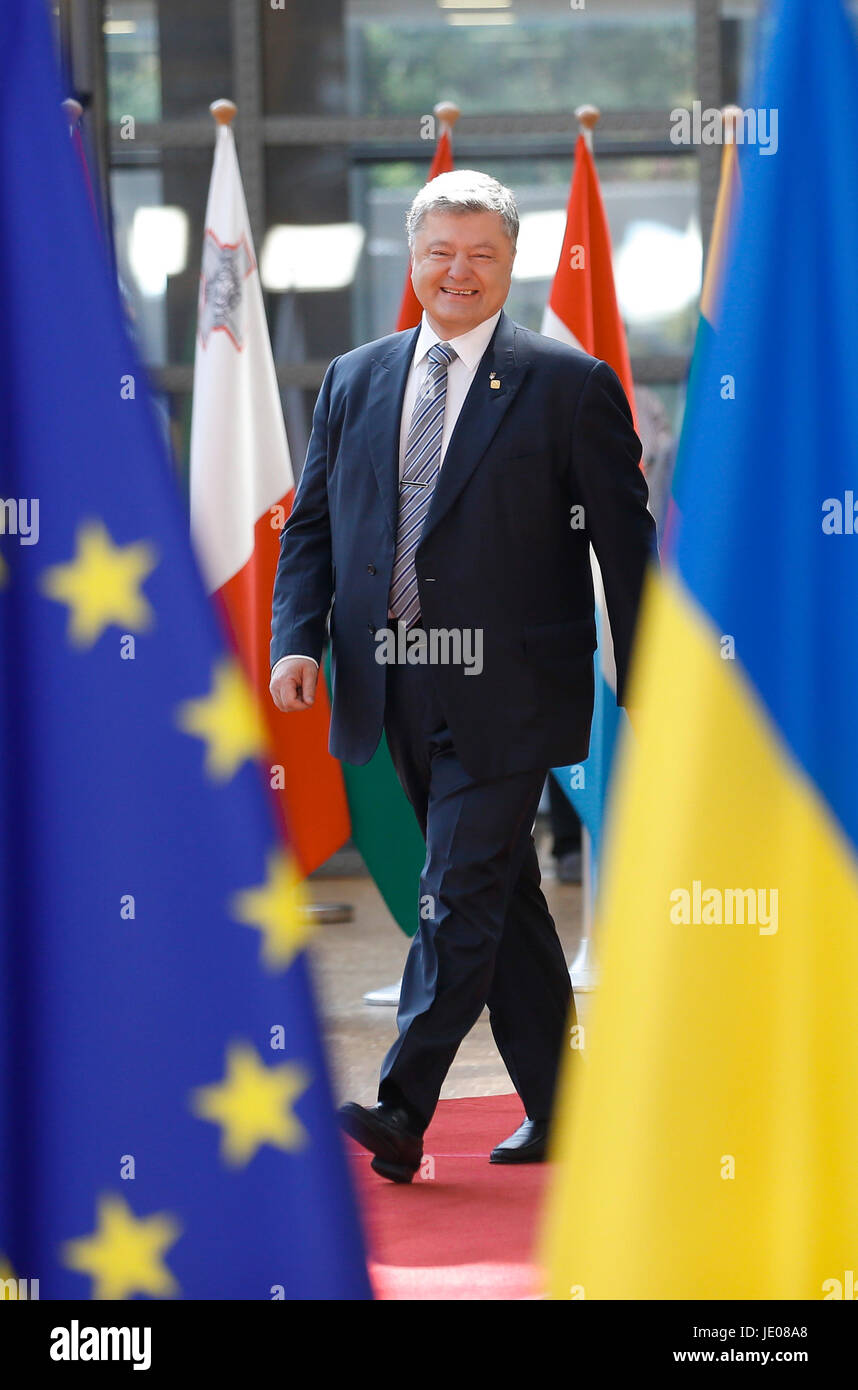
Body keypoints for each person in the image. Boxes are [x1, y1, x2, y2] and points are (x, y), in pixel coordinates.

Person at [270, 170, 656, 1182]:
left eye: (481, 253)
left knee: (454, 887)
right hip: (392, 674)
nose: (459, 271)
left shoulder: (567, 385)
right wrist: (297, 641)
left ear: (511, 263)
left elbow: (625, 540)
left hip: (513, 685)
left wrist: (651, 676)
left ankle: (402, 1105)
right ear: (413, 257)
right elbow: (312, 525)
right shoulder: (355, 377)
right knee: (500, 895)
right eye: (441, 250)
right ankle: (567, 1110)